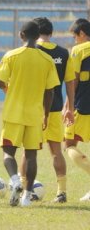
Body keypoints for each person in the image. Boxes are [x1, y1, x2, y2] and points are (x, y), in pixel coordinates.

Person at [0, 21, 59, 207]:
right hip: (34, 115)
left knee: (8, 153)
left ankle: (15, 181)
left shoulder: (11, 56)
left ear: (21, 35)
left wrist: (11, 90)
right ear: (38, 35)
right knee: (31, 156)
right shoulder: (47, 60)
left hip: (13, 113)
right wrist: (46, 114)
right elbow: (50, 91)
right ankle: (27, 197)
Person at [18, 17, 75, 203]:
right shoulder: (63, 53)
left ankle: (21, 188)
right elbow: (70, 82)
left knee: (28, 151)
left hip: (33, 109)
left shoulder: (30, 51)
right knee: (56, 151)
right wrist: (70, 107)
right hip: (56, 108)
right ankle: (62, 191)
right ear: (51, 33)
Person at [65, 18, 90, 201]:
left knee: (69, 144)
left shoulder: (78, 50)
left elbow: (73, 81)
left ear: (81, 34)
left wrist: (68, 106)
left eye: (75, 37)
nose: (74, 40)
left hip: (84, 105)